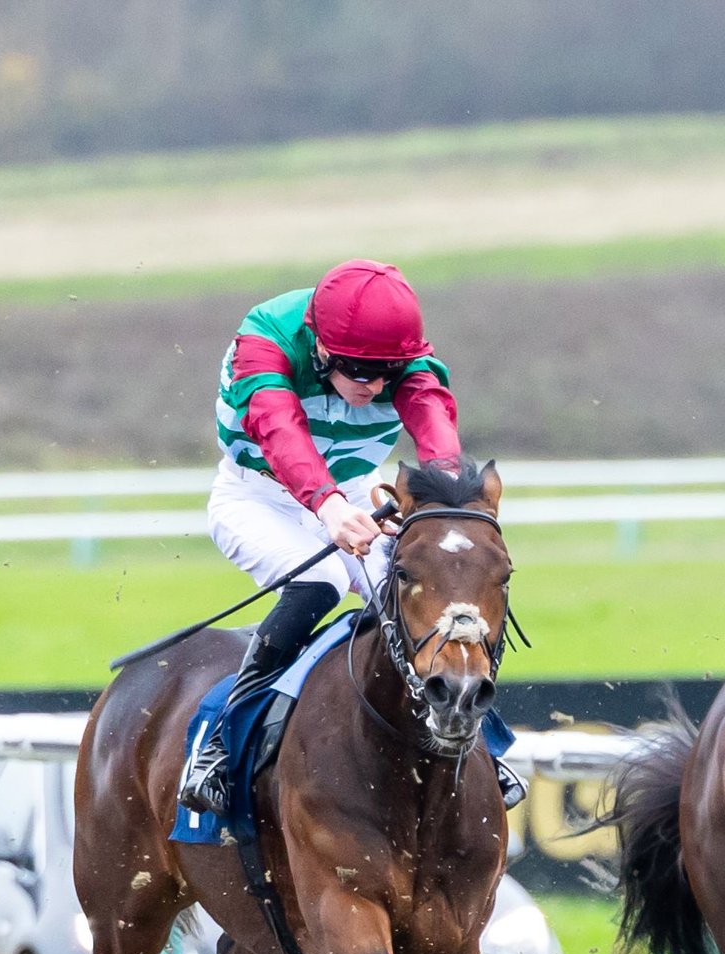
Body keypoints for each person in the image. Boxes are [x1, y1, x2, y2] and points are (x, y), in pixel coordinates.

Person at [177, 260, 520, 813]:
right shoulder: (264, 344)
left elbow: (435, 430)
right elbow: (280, 430)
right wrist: (327, 504)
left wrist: (443, 503)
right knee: (323, 580)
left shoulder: (400, 360)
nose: (376, 386)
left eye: (389, 373)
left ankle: (481, 743)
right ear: (320, 349)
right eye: (362, 373)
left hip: (356, 492)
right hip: (256, 496)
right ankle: (221, 740)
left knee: (423, 590)